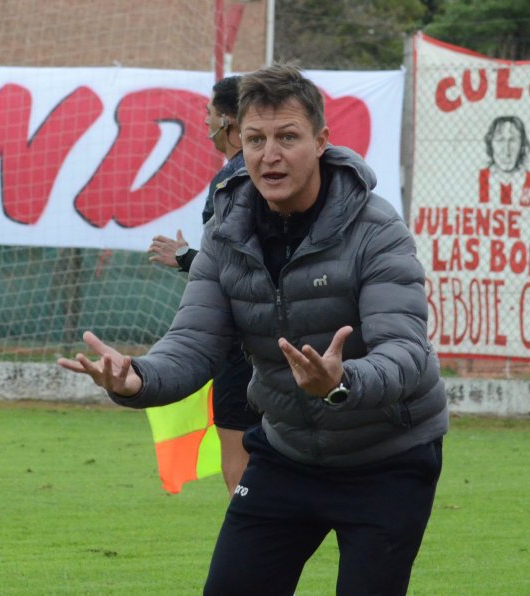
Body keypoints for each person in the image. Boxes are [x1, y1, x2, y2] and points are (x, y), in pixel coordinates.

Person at [59, 64, 448, 595]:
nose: (270, 155)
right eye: (255, 139)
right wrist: (137, 379)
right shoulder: (225, 234)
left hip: (387, 458)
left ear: (321, 142)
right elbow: (194, 343)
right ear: (238, 144)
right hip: (286, 452)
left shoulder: (378, 232)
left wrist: (341, 382)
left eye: (288, 137)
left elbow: (405, 351)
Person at [146, 75, 260, 496]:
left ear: (227, 120)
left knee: (237, 444)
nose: (204, 120)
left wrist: (187, 259)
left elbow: (236, 267)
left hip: (241, 335)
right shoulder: (274, 173)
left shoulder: (233, 179)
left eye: (209, 113)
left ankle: (248, 536)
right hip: (275, 331)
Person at [479, 115, 530, 207]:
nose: (506, 151)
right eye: (500, 140)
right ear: (490, 144)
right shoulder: (478, 180)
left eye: (513, 140)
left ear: (522, 146)